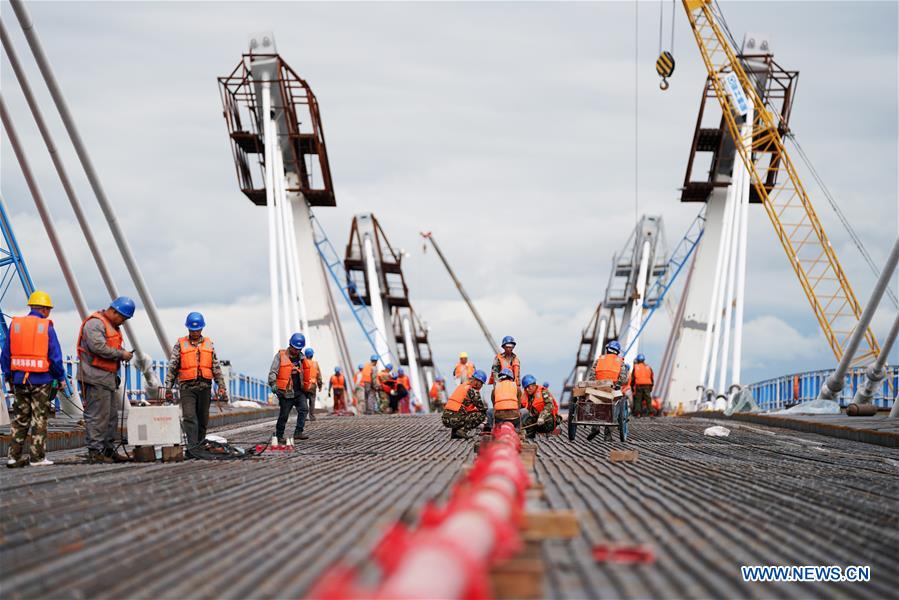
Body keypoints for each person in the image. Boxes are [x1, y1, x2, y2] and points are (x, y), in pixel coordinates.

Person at [1, 291, 66, 467]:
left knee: (21, 418)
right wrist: (61, 378)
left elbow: (5, 356)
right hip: (41, 381)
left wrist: (9, 377)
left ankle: (13, 456)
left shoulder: (16, 325)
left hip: (19, 380)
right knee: (39, 418)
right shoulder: (46, 327)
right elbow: (54, 357)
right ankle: (37, 458)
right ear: (44, 309)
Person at [77, 296, 135, 463]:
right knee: (97, 416)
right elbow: (98, 347)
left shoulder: (111, 326)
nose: (123, 322)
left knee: (111, 417)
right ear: (115, 311)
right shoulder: (95, 324)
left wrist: (122, 352)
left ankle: (108, 450)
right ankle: (95, 451)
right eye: (123, 318)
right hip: (95, 377)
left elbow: (110, 346)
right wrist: (121, 354)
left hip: (107, 379)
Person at [163, 312, 228, 450]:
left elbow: (215, 366)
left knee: (202, 418)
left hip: (205, 387)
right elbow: (173, 366)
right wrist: (168, 388)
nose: (195, 332)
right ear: (188, 329)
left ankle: (199, 443)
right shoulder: (180, 344)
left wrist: (221, 385)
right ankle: (193, 447)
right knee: (189, 416)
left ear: (202, 329)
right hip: (187, 387)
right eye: (192, 330)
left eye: (197, 330)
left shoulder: (209, 344)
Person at [584, 340, 630, 441]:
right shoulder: (620, 361)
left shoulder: (599, 360)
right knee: (614, 407)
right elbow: (624, 379)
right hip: (612, 389)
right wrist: (618, 384)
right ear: (617, 351)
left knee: (596, 405)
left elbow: (592, 376)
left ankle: (595, 428)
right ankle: (607, 435)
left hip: (598, 388)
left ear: (607, 349)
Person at [268, 333, 308, 442]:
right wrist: (273, 383)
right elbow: (273, 371)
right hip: (286, 392)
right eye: (295, 349)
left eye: (299, 349)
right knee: (284, 415)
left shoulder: (302, 358)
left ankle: (298, 432)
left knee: (304, 409)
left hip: (299, 391)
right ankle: (279, 435)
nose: (297, 351)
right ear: (290, 345)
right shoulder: (280, 356)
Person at [442, 369, 488, 439]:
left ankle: (455, 433)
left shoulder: (462, 386)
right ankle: (462, 431)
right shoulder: (473, 391)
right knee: (482, 415)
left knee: (461, 412)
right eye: (481, 383)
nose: (480, 385)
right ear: (478, 383)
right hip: (455, 419)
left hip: (445, 419)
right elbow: (481, 408)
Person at [520, 375, 560, 439]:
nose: (527, 389)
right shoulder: (526, 395)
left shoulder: (543, 392)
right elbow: (521, 408)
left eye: (529, 387)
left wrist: (542, 417)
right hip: (536, 422)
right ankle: (530, 436)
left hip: (547, 421)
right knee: (525, 415)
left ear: (534, 385)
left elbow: (549, 405)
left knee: (548, 418)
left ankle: (548, 433)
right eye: (525, 388)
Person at [630, 354, 654, 418]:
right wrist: (651, 386)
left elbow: (633, 378)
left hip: (639, 385)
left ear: (637, 360)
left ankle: (638, 413)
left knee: (638, 400)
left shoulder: (635, 367)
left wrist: (632, 387)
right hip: (647, 385)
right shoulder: (648, 367)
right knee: (648, 399)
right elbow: (652, 377)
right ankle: (651, 413)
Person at [303, 347, 323, 420]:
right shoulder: (315, 364)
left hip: (305, 384)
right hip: (313, 385)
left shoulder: (303, 363)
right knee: (312, 400)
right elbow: (319, 376)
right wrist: (320, 385)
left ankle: (304, 416)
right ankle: (312, 416)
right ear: (312, 355)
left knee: (304, 400)